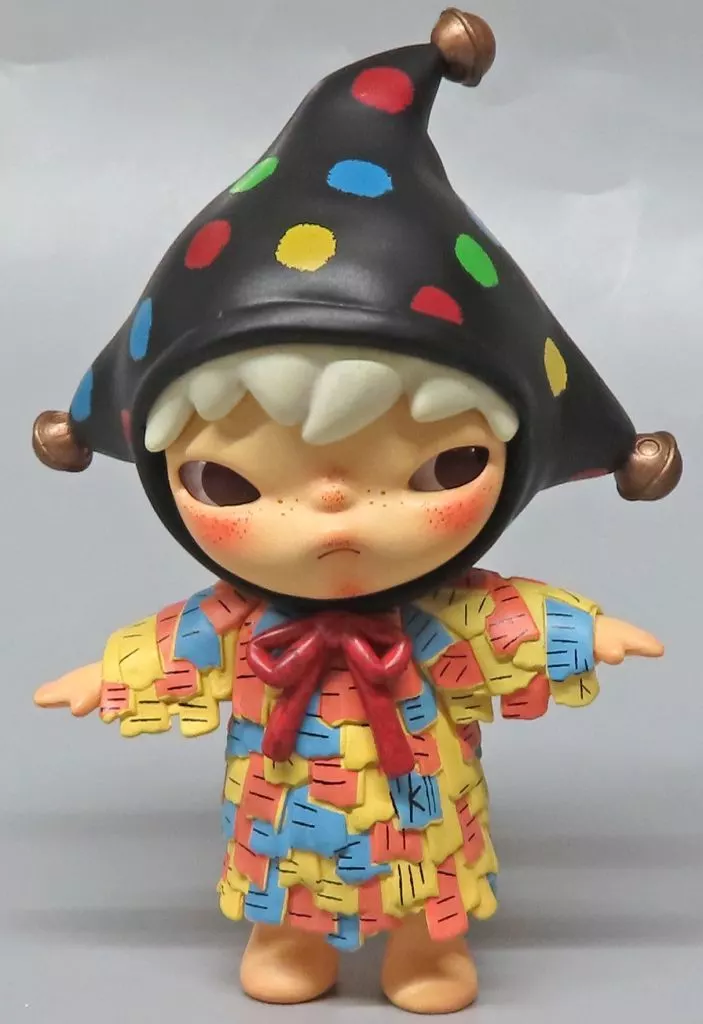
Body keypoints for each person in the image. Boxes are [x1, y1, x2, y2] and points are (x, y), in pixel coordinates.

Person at [32, 9, 681, 1015]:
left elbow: (502, 620)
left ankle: (425, 948)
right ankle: (287, 935)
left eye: (441, 469)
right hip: (281, 806)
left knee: (428, 854)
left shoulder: (440, 611)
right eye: (232, 485)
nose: (335, 519)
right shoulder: (246, 621)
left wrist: (582, 632)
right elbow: (182, 646)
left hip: (423, 802)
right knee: (280, 861)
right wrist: (107, 676)